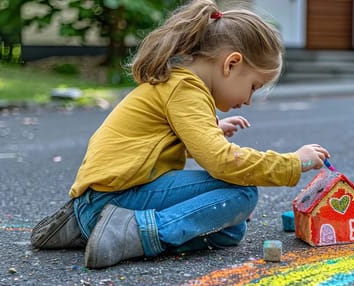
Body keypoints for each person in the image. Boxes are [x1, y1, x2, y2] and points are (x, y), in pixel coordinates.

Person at [31, 0, 330, 269]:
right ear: (232, 64)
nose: (249, 100)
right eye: (253, 86)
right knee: (242, 193)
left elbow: (148, 145)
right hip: (117, 195)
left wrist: (209, 130)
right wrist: (294, 162)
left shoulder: (178, 84)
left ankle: (85, 226)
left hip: (102, 195)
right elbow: (223, 162)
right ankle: (128, 232)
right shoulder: (185, 89)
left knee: (231, 229)